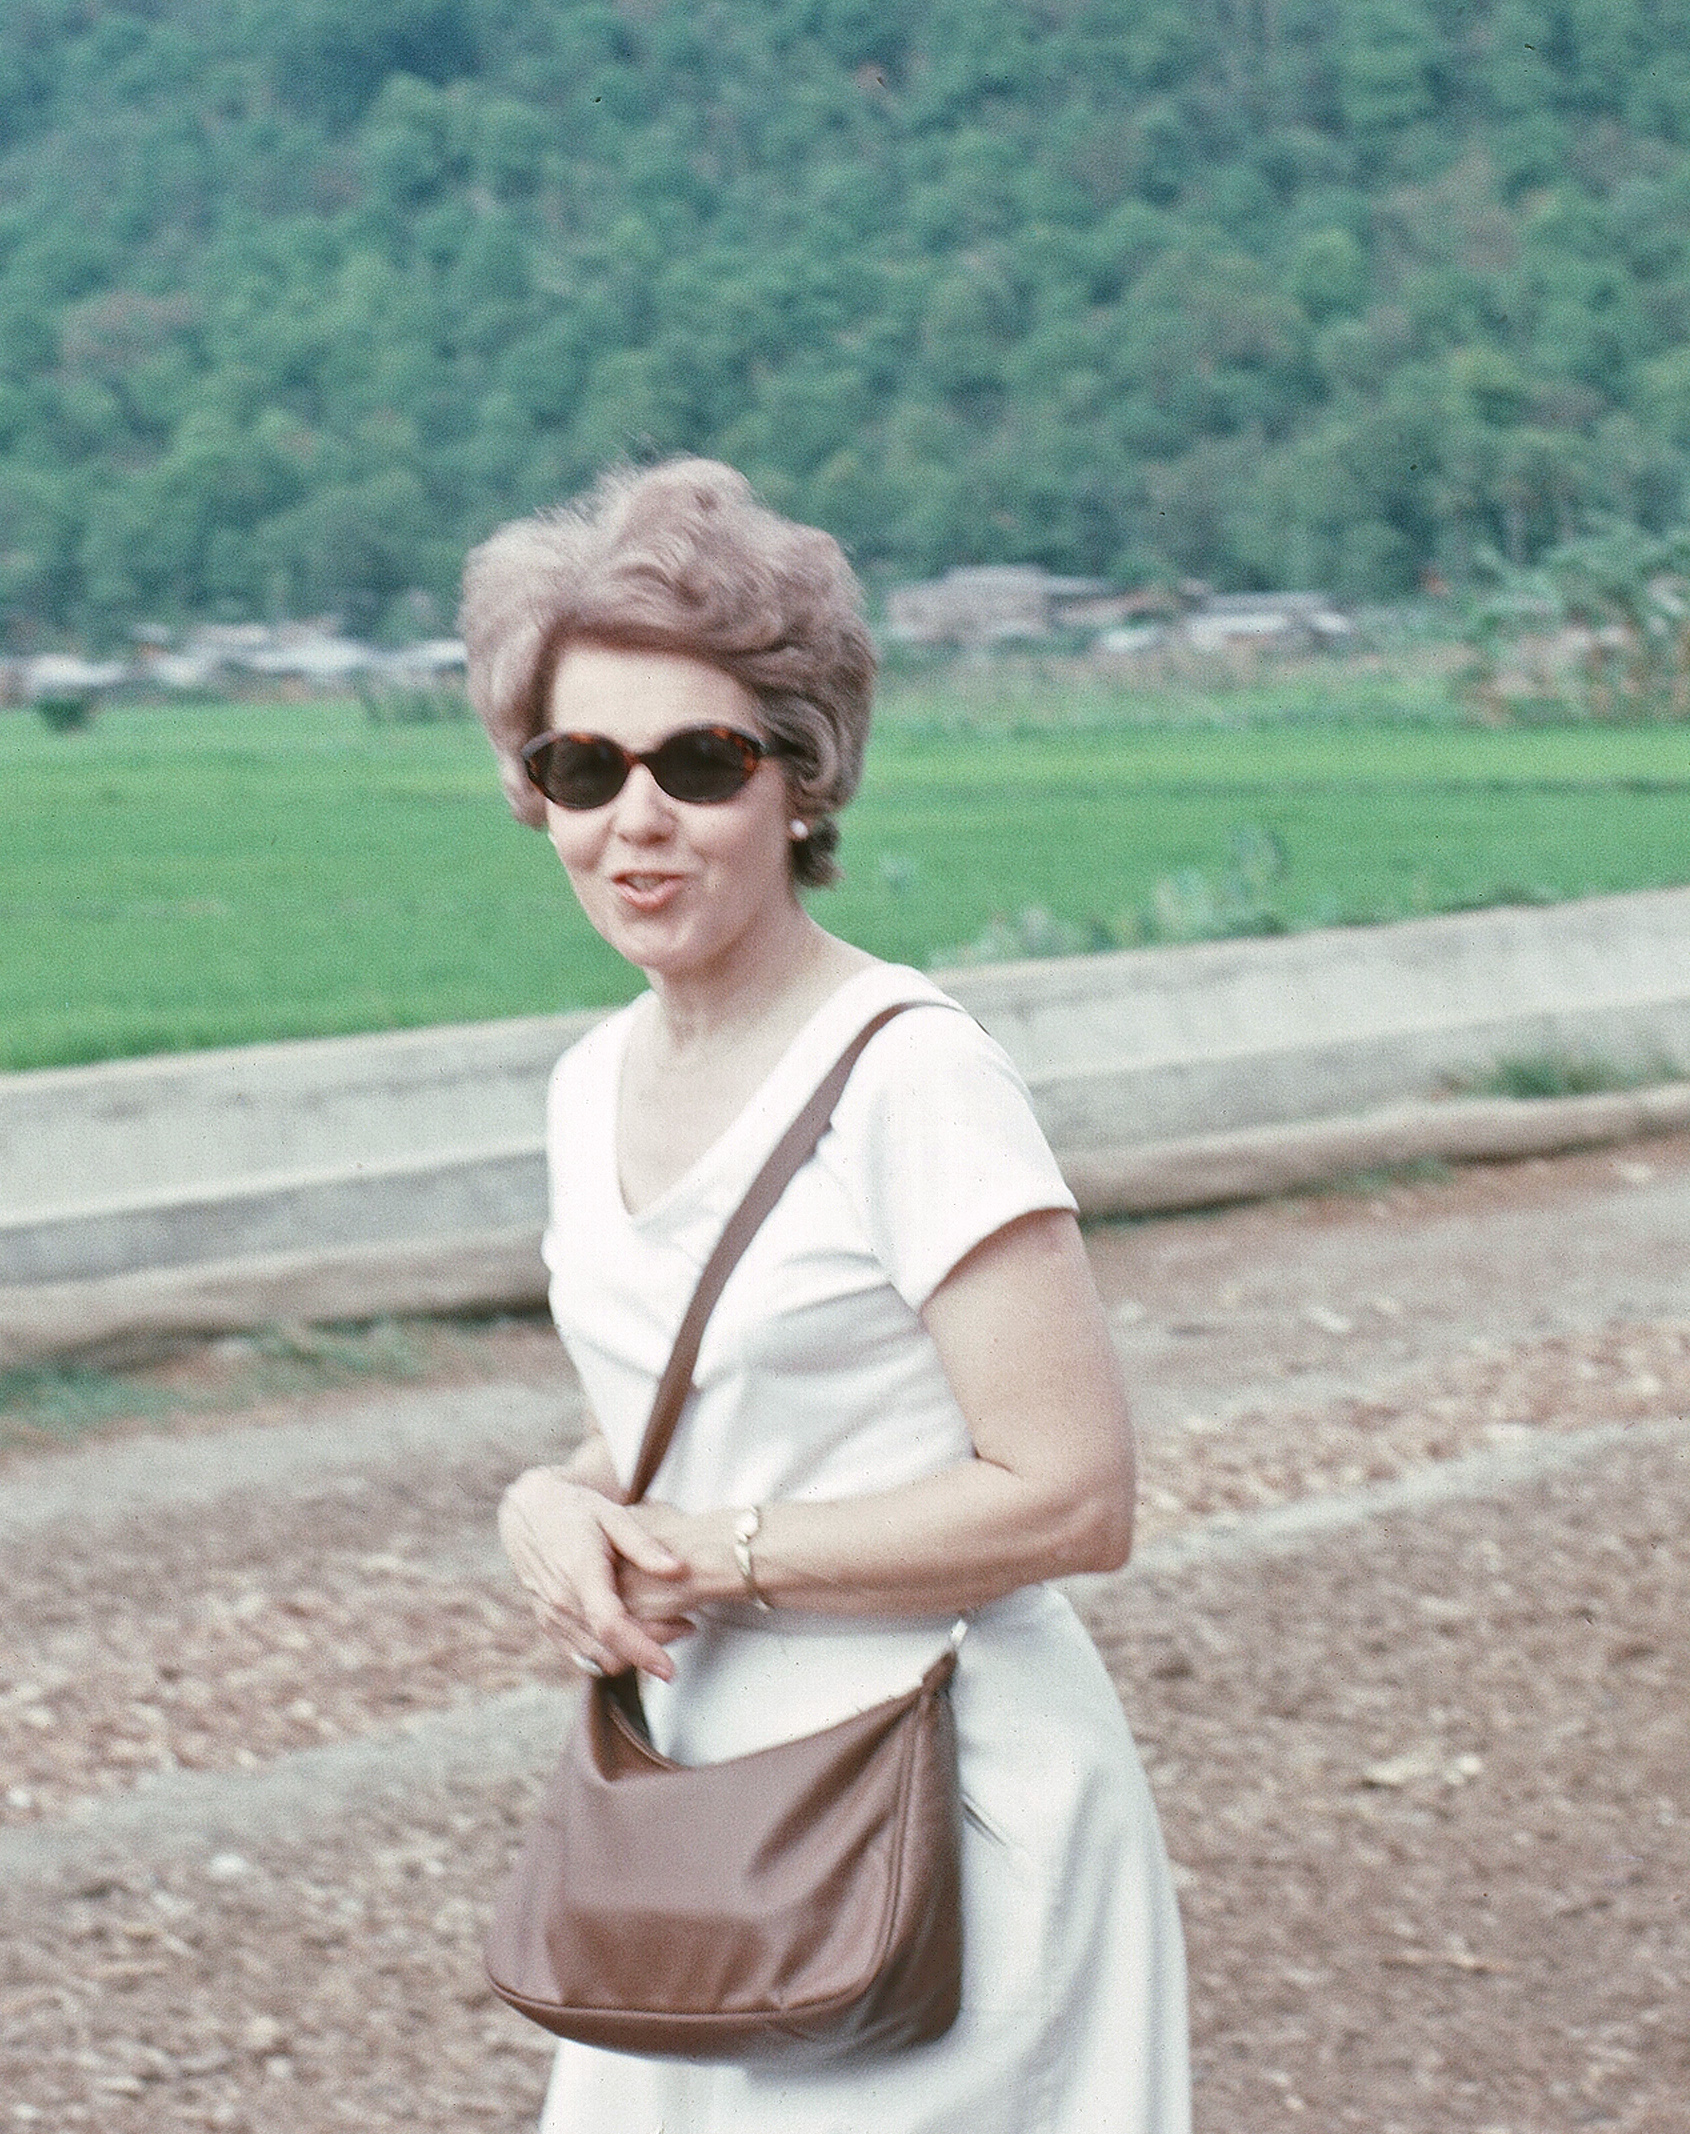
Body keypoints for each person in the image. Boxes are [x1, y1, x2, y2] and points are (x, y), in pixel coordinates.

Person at [462, 458, 1190, 2134]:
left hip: (936, 1805)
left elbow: (1071, 1494)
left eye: (698, 761)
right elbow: (711, 1410)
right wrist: (549, 1502)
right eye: (582, 766)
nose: (635, 817)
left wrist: (711, 1556)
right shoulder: (587, 1085)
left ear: (801, 779)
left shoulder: (909, 1074)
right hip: (684, 1805)